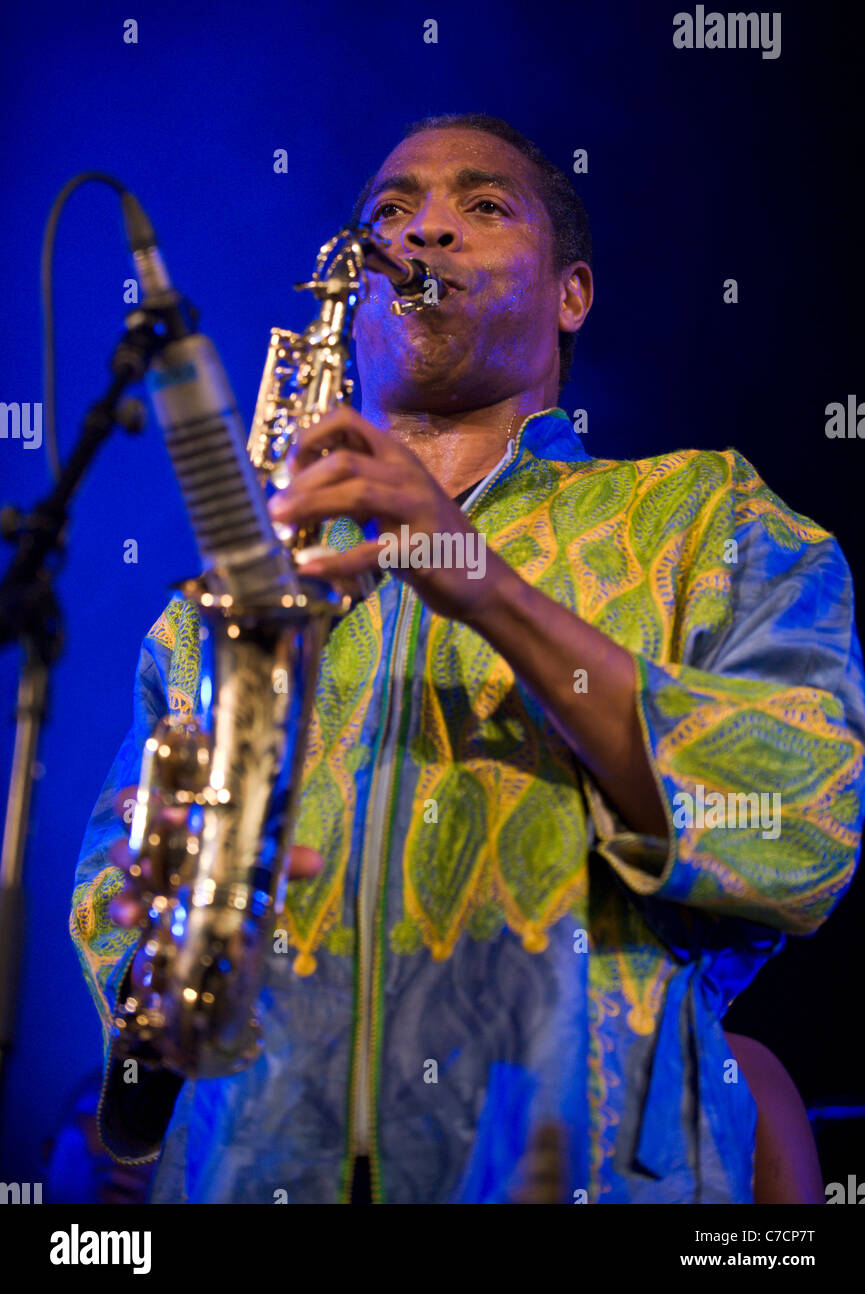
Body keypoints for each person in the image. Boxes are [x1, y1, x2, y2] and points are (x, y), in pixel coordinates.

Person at [70, 113, 865, 1204]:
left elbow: (795, 820)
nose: (423, 233)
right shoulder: (222, 602)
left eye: (481, 207)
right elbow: (115, 949)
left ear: (570, 294)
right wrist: (168, 935)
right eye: (390, 213)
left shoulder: (703, 515)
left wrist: (480, 580)